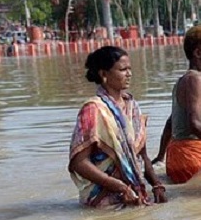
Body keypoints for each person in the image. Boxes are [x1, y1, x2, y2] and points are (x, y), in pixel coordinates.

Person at [68, 46, 168, 208]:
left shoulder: (132, 107)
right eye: (122, 69)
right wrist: (119, 186)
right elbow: (78, 163)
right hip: (103, 198)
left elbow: (141, 156)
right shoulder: (93, 109)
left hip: (135, 194)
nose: (129, 74)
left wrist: (156, 184)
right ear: (104, 74)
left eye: (129, 69)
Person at [152, 25, 201, 184]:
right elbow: (195, 125)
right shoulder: (195, 81)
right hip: (189, 158)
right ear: (198, 53)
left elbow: (171, 123)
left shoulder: (186, 80)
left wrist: (160, 157)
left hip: (183, 157)